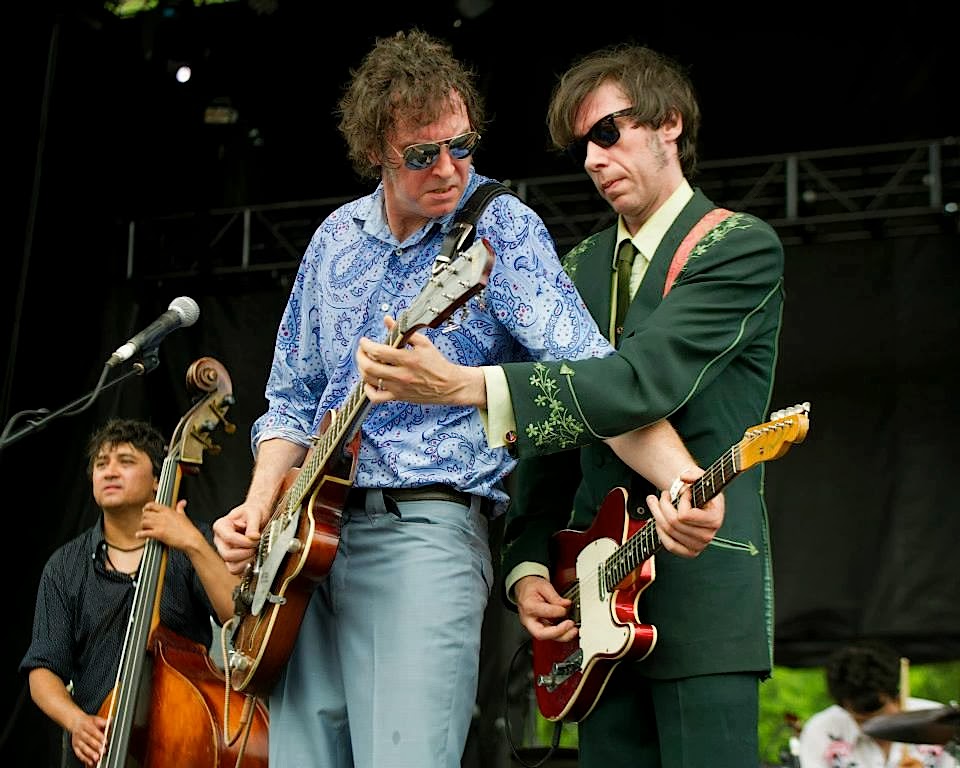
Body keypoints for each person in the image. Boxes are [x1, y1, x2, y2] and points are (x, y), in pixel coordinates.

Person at [212, 29, 724, 768]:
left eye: (461, 145)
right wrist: (260, 505)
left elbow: (591, 381)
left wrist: (682, 479)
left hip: (422, 533)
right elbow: (292, 398)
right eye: (423, 154)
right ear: (376, 153)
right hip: (298, 555)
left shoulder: (501, 229)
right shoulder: (334, 239)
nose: (449, 169)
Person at [357, 42, 787, 766]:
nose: (592, 158)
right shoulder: (578, 263)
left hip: (701, 593)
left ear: (670, 123)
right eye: (583, 143)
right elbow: (553, 445)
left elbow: (638, 385)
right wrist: (528, 564)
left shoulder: (738, 246)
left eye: (609, 132)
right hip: (590, 607)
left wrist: (467, 384)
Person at [19, 418, 240, 768]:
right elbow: (43, 669)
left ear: (157, 480)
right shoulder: (64, 567)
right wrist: (76, 722)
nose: (109, 472)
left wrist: (193, 544)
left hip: (183, 745)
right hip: (99, 753)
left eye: (125, 461)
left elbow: (238, 618)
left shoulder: (190, 545)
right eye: (101, 464)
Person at [798, 641, 958, 768]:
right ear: (843, 707)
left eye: (881, 718)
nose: (873, 726)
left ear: (897, 697)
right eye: (861, 720)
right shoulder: (821, 730)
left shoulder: (940, 722)